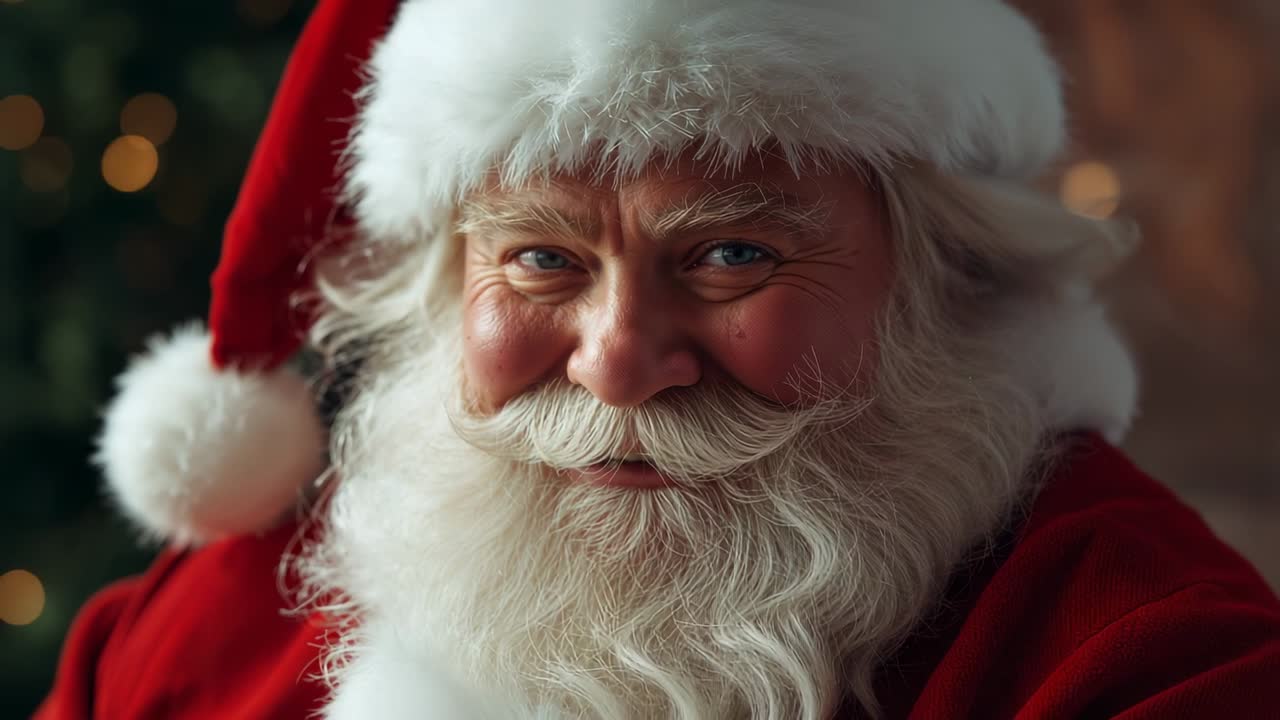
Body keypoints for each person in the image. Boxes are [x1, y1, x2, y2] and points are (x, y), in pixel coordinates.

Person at [36, 0, 1280, 718]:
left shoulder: (1155, 664)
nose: (618, 364)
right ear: (438, 285)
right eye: (537, 260)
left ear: (938, 275)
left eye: (733, 254)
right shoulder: (186, 642)